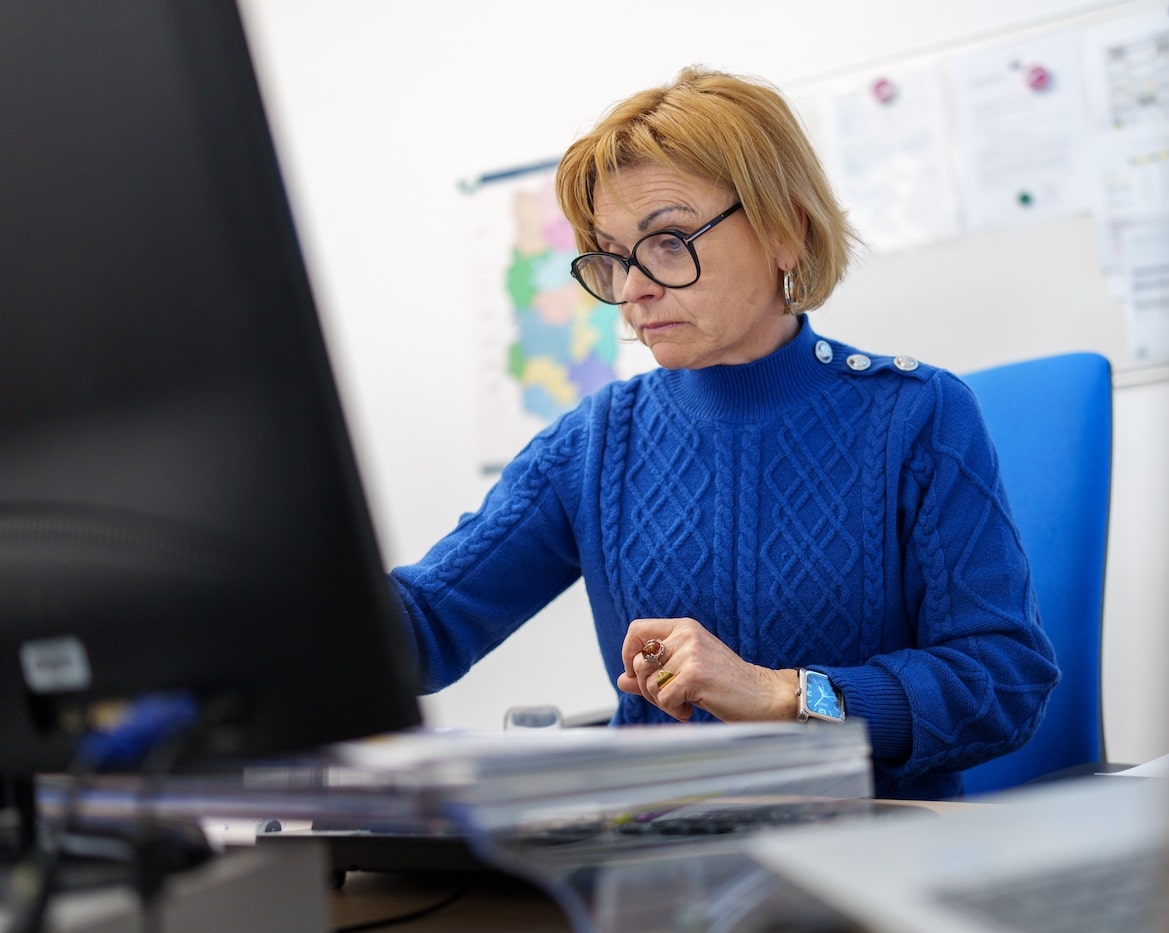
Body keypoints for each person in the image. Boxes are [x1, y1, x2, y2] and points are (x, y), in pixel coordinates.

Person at [389, 66, 1058, 800]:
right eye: (612, 257)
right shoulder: (593, 443)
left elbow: (1003, 680)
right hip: (657, 865)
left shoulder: (917, 415)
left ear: (784, 232)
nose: (634, 287)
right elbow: (426, 624)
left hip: (873, 861)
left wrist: (785, 694)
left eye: (670, 241)